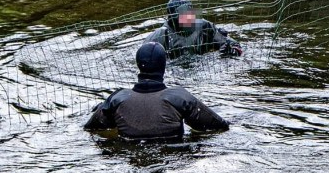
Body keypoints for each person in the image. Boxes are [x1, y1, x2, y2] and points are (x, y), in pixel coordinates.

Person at [84, 42, 230, 139]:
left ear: (138, 64)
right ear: (163, 66)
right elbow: (219, 126)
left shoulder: (117, 99)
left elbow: (91, 128)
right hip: (173, 155)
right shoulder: (179, 98)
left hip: (129, 154)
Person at [147, 0, 242, 58]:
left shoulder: (204, 26)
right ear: (172, 19)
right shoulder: (161, 35)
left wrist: (231, 50)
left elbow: (231, 44)